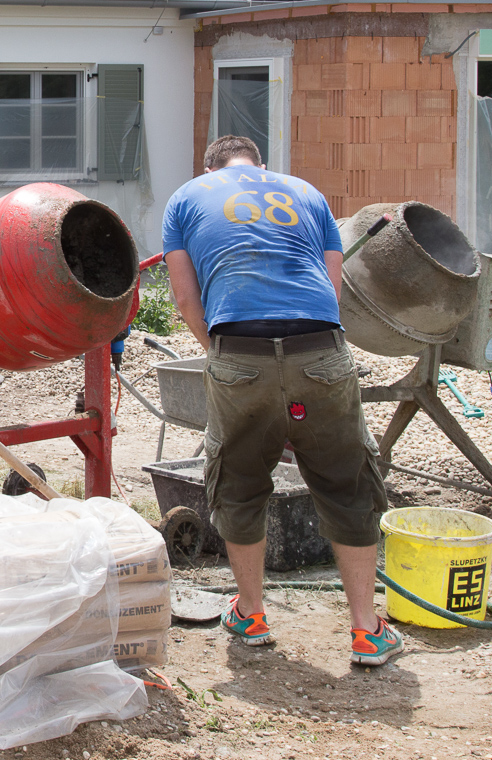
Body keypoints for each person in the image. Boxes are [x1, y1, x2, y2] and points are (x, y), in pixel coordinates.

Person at [162, 134, 399, 666]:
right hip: (320, 349)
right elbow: (332, 290)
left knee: (240, 483)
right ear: (261, 167)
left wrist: (225, 354)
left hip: (237, 347)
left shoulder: (186, 198)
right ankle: (366, 630)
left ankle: (251, 613)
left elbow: (183, 296)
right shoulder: (306, 193)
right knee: (347, 482)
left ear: (209, 168)